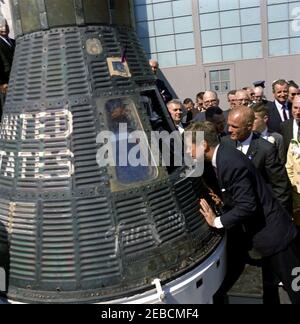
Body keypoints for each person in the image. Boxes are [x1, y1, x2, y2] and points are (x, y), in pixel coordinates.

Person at [186, 121, 300, 304]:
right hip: (267, 236)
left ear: (203, 145)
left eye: (188, 147)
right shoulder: (224, 155)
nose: (186, 152)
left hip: (277, 238)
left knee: (295, 287)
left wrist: (217, 221)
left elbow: (247, 206)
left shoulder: (229, 162)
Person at [224, 106, 292, 214]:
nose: (229, 130)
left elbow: (280, 186)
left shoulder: (266, 149)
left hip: (261, 211)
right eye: (229, 125)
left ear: (249, 126)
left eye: (234, 127)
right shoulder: (225, 143)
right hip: (234, 211)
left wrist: (281, 214)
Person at [0, 17, 15, 118]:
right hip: (6, 83)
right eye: (1, 26)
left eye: (6, 25)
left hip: (16, 79)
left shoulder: (14, 41)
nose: (4, 28)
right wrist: (1, 83)